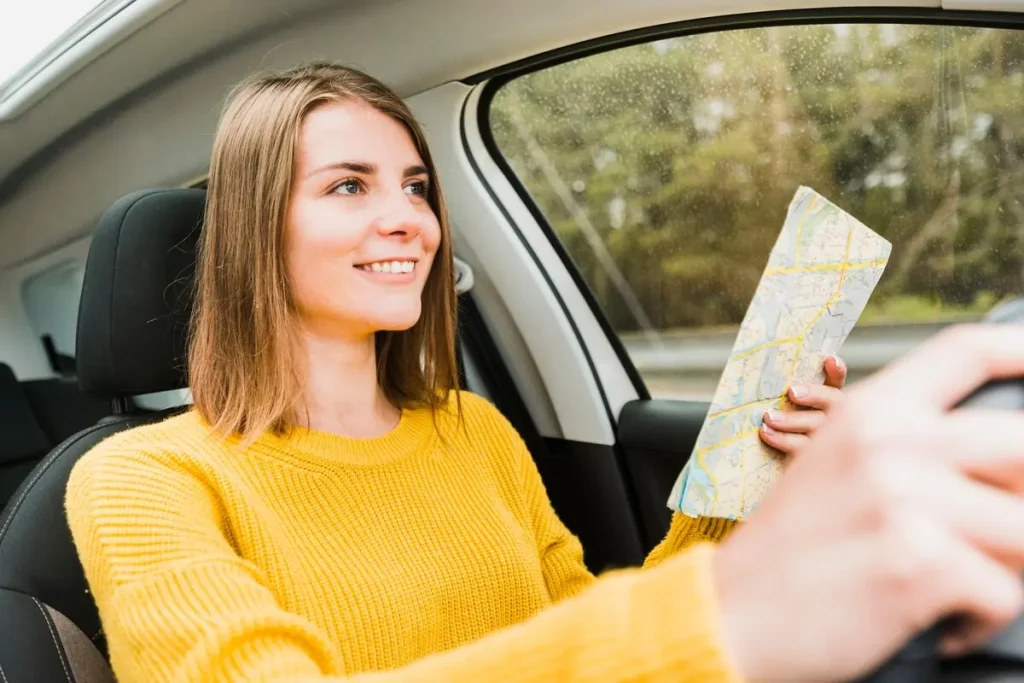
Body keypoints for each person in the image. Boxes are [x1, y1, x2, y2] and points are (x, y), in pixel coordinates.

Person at [62, 62, 1024, 683]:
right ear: (252, 230)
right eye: (348, 185)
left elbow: (597, 635)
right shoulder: (140, 481)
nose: (409, 218)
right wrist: (734, 610)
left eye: (416, 186)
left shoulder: (471, 431)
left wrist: (746, 476)